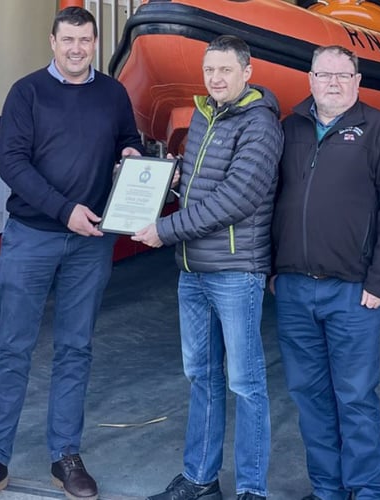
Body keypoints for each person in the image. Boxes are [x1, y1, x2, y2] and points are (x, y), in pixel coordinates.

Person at [0, 7, 143, 500]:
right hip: (32, 237)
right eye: (68, 40)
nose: (77, 48)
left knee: (75, 348)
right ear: (53, 41)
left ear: (96, 42)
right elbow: (13, 164)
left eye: (85, 40)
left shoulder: (113, 93)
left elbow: (129, 139)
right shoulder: (27, 92)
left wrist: (131, 153)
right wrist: (65, 211)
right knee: (13, 348)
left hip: (91, 243)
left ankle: (66, 455)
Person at [133, 35, 283, 500]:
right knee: (202, 375)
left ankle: (252, 490)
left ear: (247, 71)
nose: (216, 79)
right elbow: (202, 185)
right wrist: (173, 177)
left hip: (237, 272)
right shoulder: (203, 114)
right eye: (210, 70)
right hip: (193, 271)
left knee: (245, 382)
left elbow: (237, 199)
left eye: (225, 70)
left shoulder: (260, 125)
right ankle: (200, 479)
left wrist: (167, 229)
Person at [271, 45, 380, 500]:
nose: (333, 82)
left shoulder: (379, 129)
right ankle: (328, 489)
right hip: (294, 289)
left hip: (353, 292)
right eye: (324, 74)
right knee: (309, 398)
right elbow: (269, 201)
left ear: (357, 81)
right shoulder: (289, 128)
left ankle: (368, 490)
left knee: (355, 397)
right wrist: (273, 269)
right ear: (309, 79)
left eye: (343, 75)